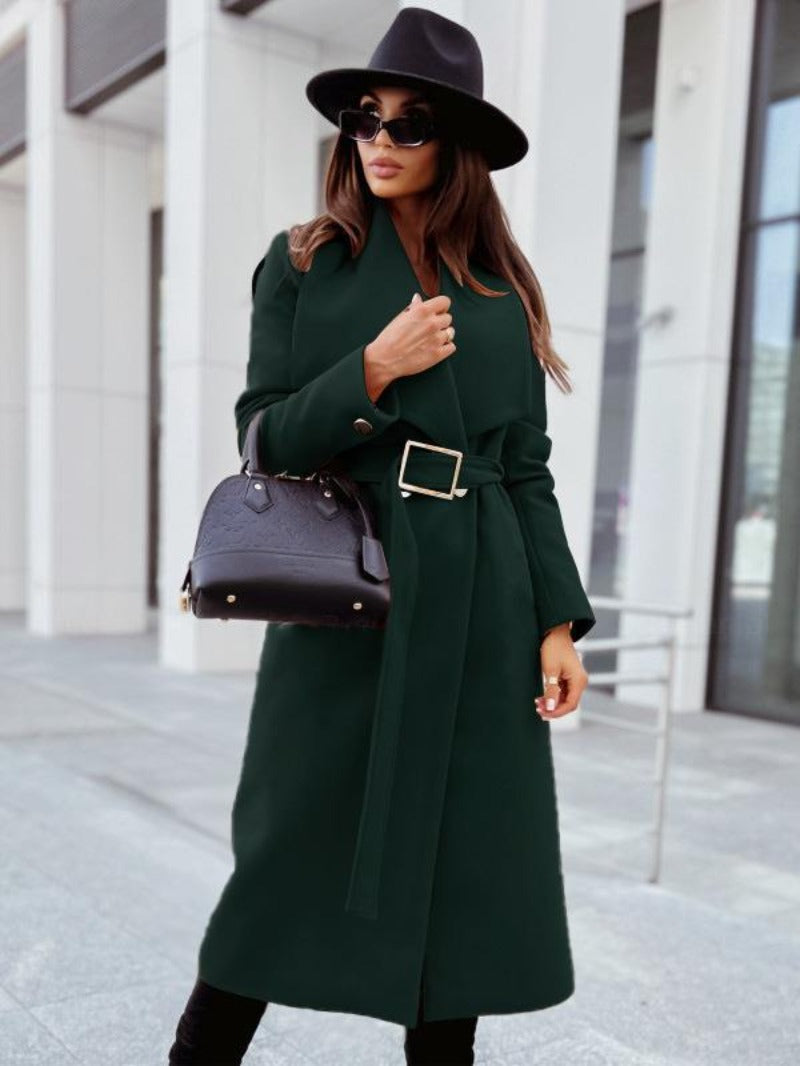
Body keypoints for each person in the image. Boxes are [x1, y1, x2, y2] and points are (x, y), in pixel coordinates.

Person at [168, 7, 595, 1064]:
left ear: (453, 145)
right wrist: (371, 369)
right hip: (350, 594)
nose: (380, 140)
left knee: (459, 872)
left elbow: (527, 467)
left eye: (409, 123)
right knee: (283, 848)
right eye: (366, 118)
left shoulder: (500, 289)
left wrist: (555, 619)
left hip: (483, 602)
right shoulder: (306, 262)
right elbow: (262, 435)